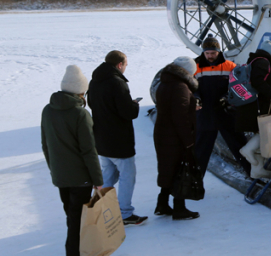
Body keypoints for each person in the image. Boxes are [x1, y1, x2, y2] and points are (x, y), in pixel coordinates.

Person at [41, 65, 103, 256]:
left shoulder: (48, 110)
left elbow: (45, 145)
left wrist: (55, 170)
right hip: (80, 179)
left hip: (61, 177)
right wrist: (98, 180)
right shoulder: (80, 114)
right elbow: (89, 151)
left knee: (72, 217)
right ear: (80, 92)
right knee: (77, 222)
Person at [87, 50, 145, 226]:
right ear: (120, 65)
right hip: (119, 140)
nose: (125, 68)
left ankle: (97, 207)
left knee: (108, 173)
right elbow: (127, 113)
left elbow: (93, 104)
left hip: (101, 139)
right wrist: (134, 105)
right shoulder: (117, 83)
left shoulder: (94, 81)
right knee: (128, 176)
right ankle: (125, 213)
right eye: (125, 65)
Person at [193, 35, 251, 174]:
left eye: (213, 53)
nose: (210, 56)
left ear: (219, 51)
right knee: (200, 150)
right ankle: (195, 181)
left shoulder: (230, 66)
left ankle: (253, 174)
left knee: (240, 146)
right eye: (207, 53)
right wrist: (196, 98)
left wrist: (226, 98)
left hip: (226, 113)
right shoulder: (195, 66)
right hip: (205, 115)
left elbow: (238, 86)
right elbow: (191, 87)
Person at [153, 56, 201, 220]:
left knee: (168, 168)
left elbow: (171, 108)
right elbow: (180, 117)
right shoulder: (180, 86)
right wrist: (188, 141)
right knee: (180, 169)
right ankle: (179, 208)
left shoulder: (165, 83)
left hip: (163, 132)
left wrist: (191, 106)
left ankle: (162, 203)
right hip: (174, 136)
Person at [236, 41, 271, 178]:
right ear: (270, 54)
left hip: (254, 103)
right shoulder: (263, 62)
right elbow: (258, 82)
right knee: (265, 131)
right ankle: (247, 150)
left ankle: (256, 170)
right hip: (259, 104)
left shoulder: (255, 61)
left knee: (262, 132)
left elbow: (262, 80)